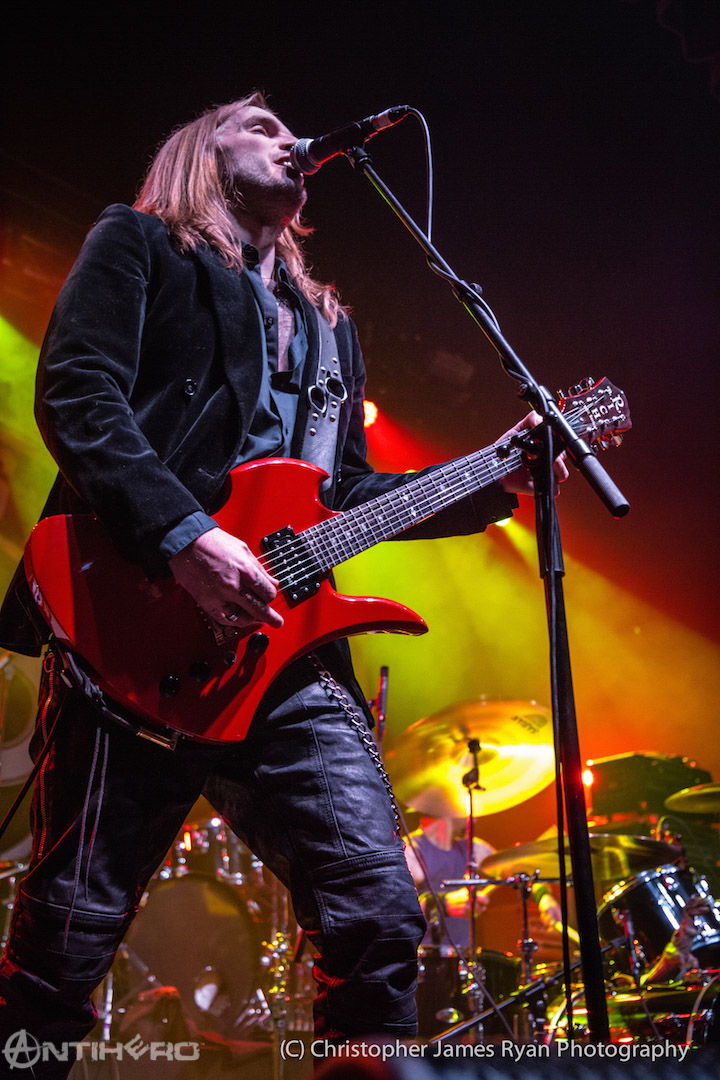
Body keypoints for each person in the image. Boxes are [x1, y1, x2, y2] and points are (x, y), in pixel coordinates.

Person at [0, 92, 567, 1073]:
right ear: (199, 151)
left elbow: (341, 493)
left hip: (282, 660)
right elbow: (78, 392)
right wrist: (184, 535)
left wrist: (495, 475)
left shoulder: (327, 325)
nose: (287, 137)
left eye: (287, 129)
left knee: (378, 917)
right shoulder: (141, 244)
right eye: (257, 125)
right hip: (131, 629)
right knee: (62, 950)